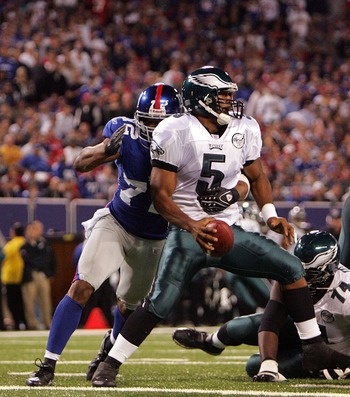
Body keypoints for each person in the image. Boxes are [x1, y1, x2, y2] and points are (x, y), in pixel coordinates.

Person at [90, 66, 350, 387]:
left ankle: (313, 348)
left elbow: (257, 176)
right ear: (201, 98)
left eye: (230, 95)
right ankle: (110, 365)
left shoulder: (244, 128)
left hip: (230, 232)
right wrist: (192, 225)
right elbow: (160, 195)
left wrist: (270, 215)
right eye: (223, 96)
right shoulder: (174, 130)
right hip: (188, 235)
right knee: (159, 303)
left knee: (292, 269)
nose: (230, 102)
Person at [25, 83, 187, 386]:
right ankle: (47, 365)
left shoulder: (189, 145)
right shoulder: (125, 133)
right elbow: (80, 163)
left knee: (129, 305)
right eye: (148, 121)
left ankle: (109, 347)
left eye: (160, 122)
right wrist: (106, 151)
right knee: (81, 287)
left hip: (154, 238)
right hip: (117, 222)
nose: (153, 129)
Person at [173, 230, 350, 380]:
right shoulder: (292, 276)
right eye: (300, 269)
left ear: (329, 268)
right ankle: (211, 342)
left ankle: (325, 371)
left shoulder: (346, 296)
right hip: (301, 333)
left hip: (330, 352)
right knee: (238, 329)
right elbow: (271, 321)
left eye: (309, 273)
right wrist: (269, 364)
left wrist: (343, 362)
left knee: (253, 365)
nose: (302, 277)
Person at [21, 221, 56, 330]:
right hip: (30, 275)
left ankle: (48, 322)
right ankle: (32, 323)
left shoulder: (46, 244)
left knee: (45, 300)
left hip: (42, 274)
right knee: (29, 300)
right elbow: (29, 259)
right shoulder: (25, 246)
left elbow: (50, 259)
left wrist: (51, 273)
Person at [1, 222, 27, 330]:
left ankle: (17, 323)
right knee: (21, 302)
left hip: (11, 277)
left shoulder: (12, 244)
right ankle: (23, 322)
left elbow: (3, 256)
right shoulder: (25, 242)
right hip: (22, 277)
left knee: (12, 302)